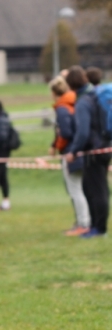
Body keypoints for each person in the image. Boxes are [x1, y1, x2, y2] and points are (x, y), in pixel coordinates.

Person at [64, 66, 110, 237]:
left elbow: (82, 131)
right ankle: (95, 226)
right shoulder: (94, 95)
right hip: (104, 146)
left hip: (94, 151)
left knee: (95, 190)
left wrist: (73, 151)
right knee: (95, 188)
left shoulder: (83, 102)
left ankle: (99, 228)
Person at [48, 75, 90, 236]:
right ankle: (84, 221)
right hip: (81, 151)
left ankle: (83, 223)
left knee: (75, 191)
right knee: (81, 190)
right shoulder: (75, 102)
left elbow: (65, 132)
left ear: (54, 92)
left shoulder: (62, 108)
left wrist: (58, 145)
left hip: (70, 152)